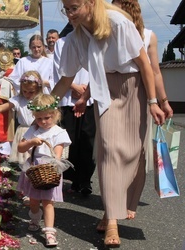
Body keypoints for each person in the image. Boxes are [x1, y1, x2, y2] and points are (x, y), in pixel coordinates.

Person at [51, 0, 165, 247]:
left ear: (90, 3)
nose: (69, 14)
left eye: (74, 7)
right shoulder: (74, 38)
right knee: (109, 149)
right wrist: (47, 102)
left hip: (135, 87)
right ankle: (112, 221)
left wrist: (155, 101)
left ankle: (111, 209)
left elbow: (145, 64)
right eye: (66, 9)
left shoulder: (119, 23)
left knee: (133, 152)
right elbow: (66, 78)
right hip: (105, 90)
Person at [112, 0, 174, 219]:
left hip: (141, 94)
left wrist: (162, 101)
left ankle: (130, 202)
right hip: (114, 94)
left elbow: (155, 71)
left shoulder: (148, 35)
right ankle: (115, 206)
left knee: (138, 153)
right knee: (115, 152)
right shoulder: (109, 32)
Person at [17, 94, 71, 247]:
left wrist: (53, 166)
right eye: (39, 119)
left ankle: (49, 231)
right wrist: (31, 142)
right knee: (33, 200)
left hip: (49, 170)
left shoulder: (58, 132)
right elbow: (21, 148)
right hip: (34, 168)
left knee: (48, 202)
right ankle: (35, 217)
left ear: (55, 114)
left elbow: (57, 154)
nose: (43, 122)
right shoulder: (33, 130)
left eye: (47, 118)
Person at [53, 36, 96, 197]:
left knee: (87, 139)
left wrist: (86, 92)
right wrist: (74, 86)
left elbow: (97, 67)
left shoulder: (93, 39)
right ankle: (72, 178)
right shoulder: (62, 43)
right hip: (67, 98)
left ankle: (85, 180)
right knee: (70, 139)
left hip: (90, 97)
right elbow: (59, 68)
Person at [0, 70, 44, 165]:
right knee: (24, 158)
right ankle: (25, 174)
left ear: (38, 90)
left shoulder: (41, 100)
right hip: (23, 131)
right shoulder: (19, 99)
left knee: (36, 154)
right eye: (24, 91)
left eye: (31, 92)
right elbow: (3, 107)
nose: (27, 94)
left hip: (37, 129)